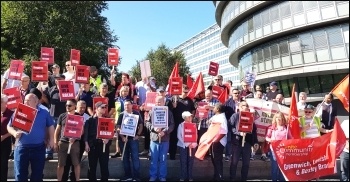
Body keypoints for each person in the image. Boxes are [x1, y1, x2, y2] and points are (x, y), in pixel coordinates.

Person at [7, 93, 55, 181]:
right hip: (21, 148)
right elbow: (9, 126)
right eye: (25, 100)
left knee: (37, 176)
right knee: (20, 176)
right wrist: (14, 133)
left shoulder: (44, 113)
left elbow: (50, 125)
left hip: (38, 148)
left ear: (36, 101)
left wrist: (51, 139)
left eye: (29, 100)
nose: (26, 102)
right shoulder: (19, 111)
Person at [145, 96, 175, 181]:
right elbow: (147, 123)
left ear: (164, 102)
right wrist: (153, 128)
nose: (159, 103)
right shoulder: (151, 112)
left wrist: (164, 131)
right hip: (154, 139)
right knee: (153, 159)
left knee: (163, 159)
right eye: (157, 102)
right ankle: (153, 176)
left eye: (160, 102)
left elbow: (172, 125)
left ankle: (162, 176)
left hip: (165, 139)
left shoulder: (169, 112)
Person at [229, 101, 259, 181]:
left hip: (247, 143)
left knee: (246, 164)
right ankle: (232, 179)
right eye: (243, 105)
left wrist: (255, 142)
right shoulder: (235, 116)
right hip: (237, 143)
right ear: (239, 107)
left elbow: (254, 131)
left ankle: (244, 179)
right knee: (234, 163)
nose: (245, 107)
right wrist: (239, 133)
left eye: (246, 105)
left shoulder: (250, 117)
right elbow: (231, 127)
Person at [62, 100, 90, 181]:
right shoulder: (69, 114)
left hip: (79, 142)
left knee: (76, 162)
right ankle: (64, 178)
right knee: (66, 162)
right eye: (80, 107)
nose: (82, 109)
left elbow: (85, 131)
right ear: (76, 107)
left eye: (84, 108)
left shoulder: (87, 117)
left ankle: (73, 178)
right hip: (67, 141)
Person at [54, 99, 81, 181]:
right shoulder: (62, 116)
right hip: (63, 142)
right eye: (66, 105)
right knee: (61, 164)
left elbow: (81, 130)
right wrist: (55, 142)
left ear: (75, 106)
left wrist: (75, 138)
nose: (67, 107)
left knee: (76, 163)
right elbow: (57, 130)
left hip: (75, 143)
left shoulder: (78, 116)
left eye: (69, 105)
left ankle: (77, 179)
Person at [84, 101, 112, 181]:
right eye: (102, 107)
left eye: (105, 107)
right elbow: (86, 133)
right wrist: (86, 144)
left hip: (104, 145)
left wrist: (108, 139)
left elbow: (110, 133)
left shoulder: (107, 120)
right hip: (93, 145)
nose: (104, 109)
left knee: (104, 166)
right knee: (92, 166)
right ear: (96, 109)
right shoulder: (89, 120)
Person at [116, 99, 143, 181]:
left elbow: (141, 125)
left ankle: (136, 176)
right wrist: (122, 137)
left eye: (128, 105)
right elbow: (118, 127)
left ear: (131, 105)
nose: (126, 106)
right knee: (125, 158)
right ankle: (128, 175)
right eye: (125, 105)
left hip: (133, 139)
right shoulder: (121, 115)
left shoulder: (136, 113)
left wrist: (138, 135)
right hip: (123, 140)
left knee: (135, 157)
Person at [42, 74, 67, 160]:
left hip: (63, 117)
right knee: (50, 135)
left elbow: (73, 100)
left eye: (60, 79)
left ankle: (61, 154)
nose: (58, 80)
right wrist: (41, 93)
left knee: (61, 136)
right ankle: (49, 153)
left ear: (64, 79)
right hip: (52, 116)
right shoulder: (51, 89)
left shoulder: (68, 88)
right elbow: (46, 100)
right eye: (56, 79)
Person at [265, 112, 292, 181]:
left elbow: (291, 138)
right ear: (275, 119)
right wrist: (271, 140)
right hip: (274, 150)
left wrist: (289, 142)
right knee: (275, 167)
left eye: (280, 117)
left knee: (282, 168)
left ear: (283, 118)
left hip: (284, 151)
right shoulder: (272, 128)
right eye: (277, 117)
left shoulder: (286, 128)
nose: (278, 119)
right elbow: (267, 138)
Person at [171, 85, 195, 160]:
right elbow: (169, 108)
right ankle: (172, 156)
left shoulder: (189, 100)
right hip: (176, 122)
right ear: (180, 90)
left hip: (186, 124)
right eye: (184, 91)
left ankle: (187, 156)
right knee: (174, 139)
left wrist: (192, 116)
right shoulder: (174, 98)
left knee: (187, 139)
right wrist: (173, 106)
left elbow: (193, 109)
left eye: (187, 92)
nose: (185, 93)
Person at [208, 103, 228, 181]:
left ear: (218, 109)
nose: (213, 109)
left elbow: (224, 132)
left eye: (214, 107)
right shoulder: (217, 116)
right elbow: (209, 121)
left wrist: (216, 141)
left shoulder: (222, 118)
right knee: (214, 159)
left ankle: (219, 177)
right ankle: (216, 175)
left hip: (218, 142)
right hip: (213, 140)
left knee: (217, 160)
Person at [177, 111, 197, 181]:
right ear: (184, 118)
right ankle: (183, 176)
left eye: (191, 116)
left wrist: (192, 144)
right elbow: (179, 136)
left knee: (190, 162)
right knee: (183, 161)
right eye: (188, 117)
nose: (190, 118)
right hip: (183, 146)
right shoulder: (181, 125)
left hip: (192, 146)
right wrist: (186, 144)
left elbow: (195, 135)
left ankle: (190, 177)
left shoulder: (193, 125)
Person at [223, 88, 240, 162]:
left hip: (240, 123)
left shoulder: (242, 102)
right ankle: (228, 155)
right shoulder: (227, 102)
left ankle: (238, 155)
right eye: (235, 93)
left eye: (238, 93)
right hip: (230, 123)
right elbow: (224, 112)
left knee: (238, 140)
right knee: (229, 140)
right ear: (232, 94)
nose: (236, 94)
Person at [1, 94, 14, 181]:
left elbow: (14, 128)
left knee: (3, 165)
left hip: (5, 142)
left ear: (5, 103)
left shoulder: (11, 114)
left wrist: (4, 136)